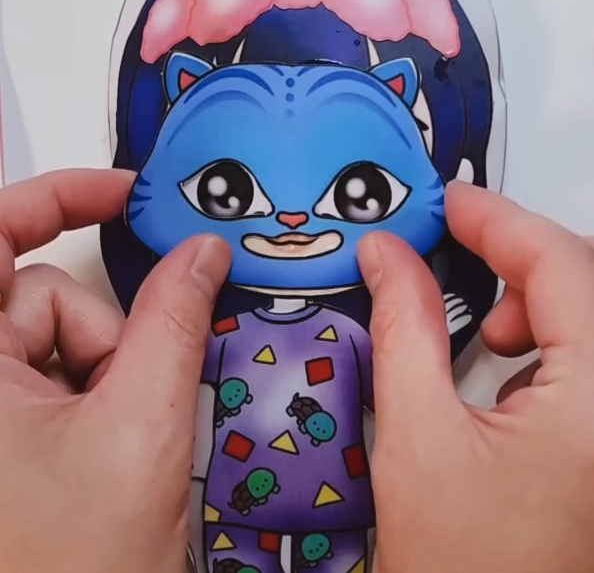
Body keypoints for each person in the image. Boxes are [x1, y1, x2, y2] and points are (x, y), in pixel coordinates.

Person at [0, 167, 592, 573]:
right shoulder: (225, 334)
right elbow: (174, 396)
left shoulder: (345, 334)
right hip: (237, 507)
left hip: (332, 508)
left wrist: (441, 326)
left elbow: (402, 394)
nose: (291, 218)